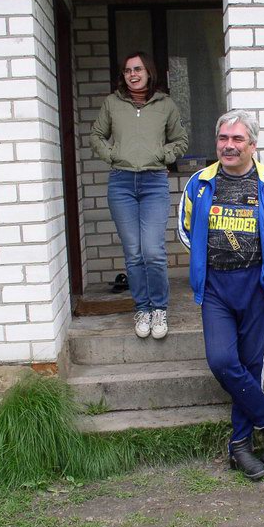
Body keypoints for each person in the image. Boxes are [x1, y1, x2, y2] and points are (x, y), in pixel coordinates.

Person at [177, 109, 264, 480]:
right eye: (223, 138)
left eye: (237, 139)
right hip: (216, 288)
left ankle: (240, 445)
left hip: (257, 286)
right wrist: (206, 260)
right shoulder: (200, 183)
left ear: (252, 145)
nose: (228, 146)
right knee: (222, 361)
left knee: (250, 367)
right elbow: (185, 230)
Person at [90, 52, 188, 340]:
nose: (132, 74)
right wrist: (112, 155)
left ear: (148, 72)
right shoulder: (113, 103)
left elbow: (181, 140)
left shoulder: (165, 104)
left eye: (138, 69)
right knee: (134, 253)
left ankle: (159, 309)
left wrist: (163, 155)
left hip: (154, 184)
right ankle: (142, 309)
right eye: (127, 70)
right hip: (121, 185)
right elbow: (96, 135)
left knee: (153, 252)